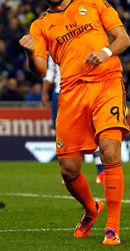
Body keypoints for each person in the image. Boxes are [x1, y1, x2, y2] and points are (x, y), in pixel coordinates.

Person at [19, 0, 130, 246]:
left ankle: (113, 228)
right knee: (69, 169)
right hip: (70, 91)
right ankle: (92, 209)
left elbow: (123, 39)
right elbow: (41, 71)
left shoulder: (93, 2)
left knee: (109, 149)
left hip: (107, 82)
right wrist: (31, 55)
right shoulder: (40, 25)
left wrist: (105, 51)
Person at [42, 54, 105, 183]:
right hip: (59, 94)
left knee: (89, 131)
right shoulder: (52, 47)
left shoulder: (79, 42)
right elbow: (50, 72)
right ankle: (73, 173)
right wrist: (44, 93)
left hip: (79, 91)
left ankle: (101, 171)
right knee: (67, 135)